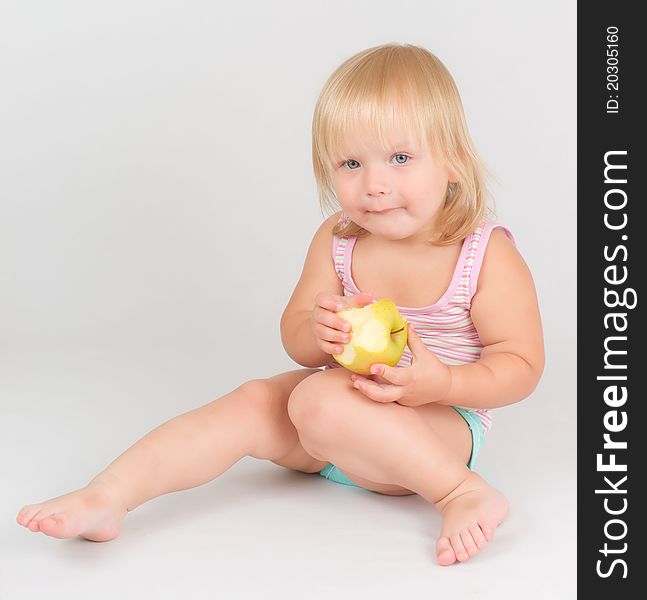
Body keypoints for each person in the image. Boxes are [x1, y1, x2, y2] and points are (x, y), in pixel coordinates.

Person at [16, 43, 544, 566]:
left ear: (453, 161)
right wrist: (319, 333)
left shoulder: (483, 252)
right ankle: (110, 495)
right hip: (332, 437)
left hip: (435, 434)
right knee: (253, 400)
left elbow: (520, 366)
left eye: (400, 158)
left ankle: (462, 493)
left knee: (317, 400)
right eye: (351, 162)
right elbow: (296, 339)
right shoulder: (339, 239)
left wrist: (442, 384)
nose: (374, 184)